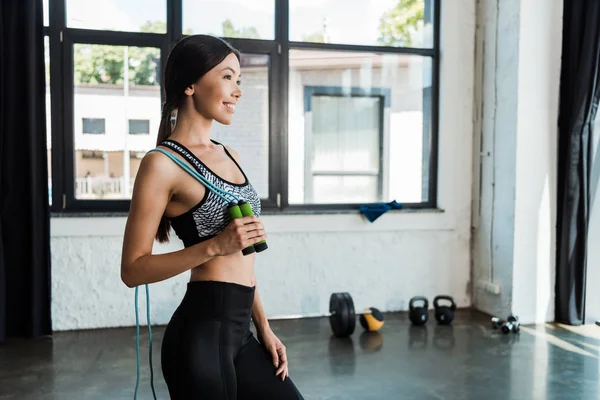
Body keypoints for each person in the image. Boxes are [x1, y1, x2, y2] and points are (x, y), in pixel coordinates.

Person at [120, 34, 304, 400]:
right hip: (200, 334)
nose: (237, 90)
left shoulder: (228, 152)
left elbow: (244, 255)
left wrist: (263, 326)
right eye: (227, 77)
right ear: (190, 84)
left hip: (241, 328)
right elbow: (133, 269)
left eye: (238, 80)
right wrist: (216, 245)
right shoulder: (161, 164)